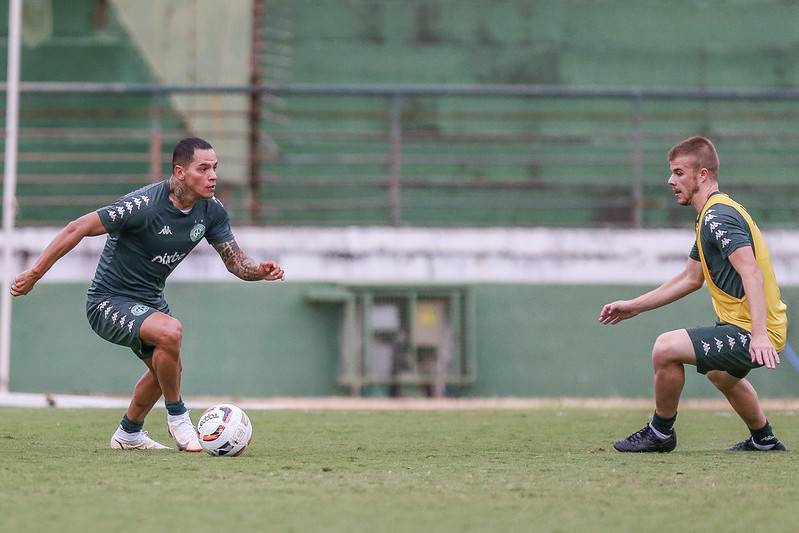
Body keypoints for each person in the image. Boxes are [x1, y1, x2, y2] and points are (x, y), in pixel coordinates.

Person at [11, 137, 285, 451]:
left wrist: (259, 271)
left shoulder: (211, 211)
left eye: (215, 168)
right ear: (180, 172)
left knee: (167, 369)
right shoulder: (142, 205)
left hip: (150, 301)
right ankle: (179, 417)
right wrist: (34, 273)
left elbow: (236, 262)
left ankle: (129, 434)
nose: (213, 176)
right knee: (171, 333)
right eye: (204, 168)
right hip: (108, 301)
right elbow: (78, 227)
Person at [598, 136, 787, 453]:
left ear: (702, 175)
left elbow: (751, 271)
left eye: (679, 172)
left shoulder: (718, 217)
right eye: (671, 173)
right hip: (746, 327)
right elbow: (690, 278)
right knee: (720, 375)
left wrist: (758, 336)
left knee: (665, 348)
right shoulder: (710, 217)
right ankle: (764, 439)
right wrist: (635, 306)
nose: (671, 180)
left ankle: (659, 433)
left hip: (754, 330)